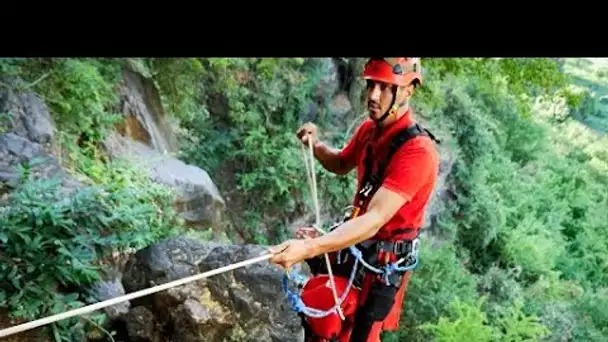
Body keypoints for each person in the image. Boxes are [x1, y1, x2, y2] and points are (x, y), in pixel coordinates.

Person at [269, 57, 440, 342]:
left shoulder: (418, 152)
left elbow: (375, 219)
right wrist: (317, 146)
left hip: (381, 265)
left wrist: (310, 248)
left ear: (408, 90)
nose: (373, 95)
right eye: (371, 85)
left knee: (359, 333)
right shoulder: (369, 131)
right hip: (357, 249)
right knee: (322, 318)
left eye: (386, 87)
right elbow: (340, 163)